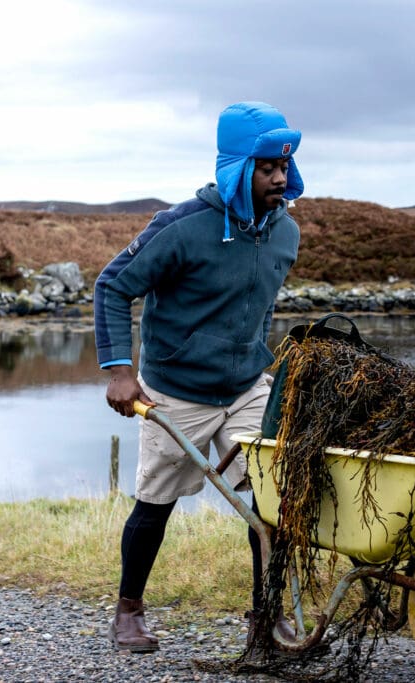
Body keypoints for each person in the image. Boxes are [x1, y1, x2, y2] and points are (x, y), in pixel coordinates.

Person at [93, 101, 303, 652]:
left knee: (270, 497)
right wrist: (119, 371)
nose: (281, 177)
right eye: (267, 168)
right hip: (175, 388)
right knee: (156, 501)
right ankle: (128, 610)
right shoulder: (181, 228)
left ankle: (267, 615)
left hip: (246, 387)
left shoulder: (286, 233)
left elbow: (255, 305)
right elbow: (112, 286)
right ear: (237, 167)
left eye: (285, 165)